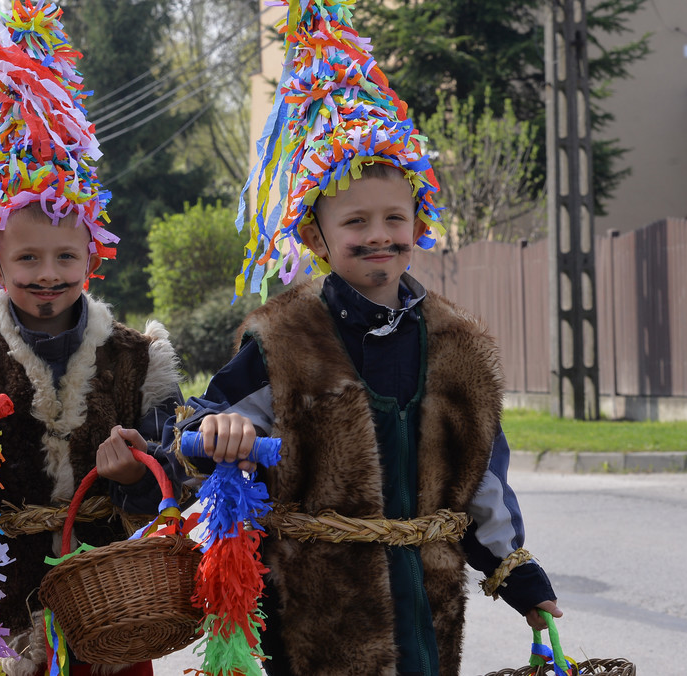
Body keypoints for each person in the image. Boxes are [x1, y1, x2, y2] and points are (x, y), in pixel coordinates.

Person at [165, 4, 562, 676]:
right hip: (316, 617)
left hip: (427, 617)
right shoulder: (286, 340)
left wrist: (523, 582)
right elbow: (199, 427)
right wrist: (219, 431)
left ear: (419, 220)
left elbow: (482, 481)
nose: (378, 234)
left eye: (394, 216)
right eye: (355, 221)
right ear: (317, 237)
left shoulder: (458, 346)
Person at [0, 4, 183, 675]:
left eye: (66, 258)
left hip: (111, 606)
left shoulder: (138, 358)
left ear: (93, 259)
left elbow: (174, 471)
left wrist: (137, 472)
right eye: (27, 260)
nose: (47, 275)